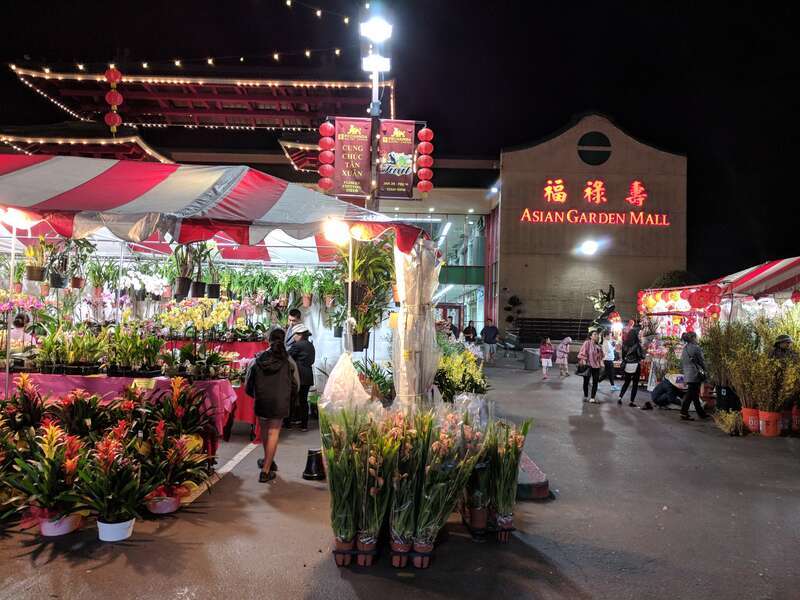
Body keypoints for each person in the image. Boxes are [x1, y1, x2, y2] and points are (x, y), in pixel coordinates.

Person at [245, 328, 300, 482]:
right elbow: (297, 384)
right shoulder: (288, 361)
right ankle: (266, 469)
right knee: (273, 432)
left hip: (262, 400)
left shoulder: (257, 360)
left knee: (264, 430)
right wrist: (290, 399)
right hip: (280, 401)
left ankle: (267, 460)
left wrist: (256, 395)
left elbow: (248, 383)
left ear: (268, 340)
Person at [288, 324, 315, 432]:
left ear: (300, 335)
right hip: (308, 375)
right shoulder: (310, 344)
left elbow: (288, 356)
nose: (293, 337)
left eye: (294, 335)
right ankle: (304, 424)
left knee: (293, 399)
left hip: (298, 376)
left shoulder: (297, 345)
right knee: (303, 400)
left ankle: (289, 422)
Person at [680, 331, 709, 421]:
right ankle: (684, 412)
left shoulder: (685, 349)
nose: (697, 339)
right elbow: (702, 361)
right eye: (696, 337)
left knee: (695, 395)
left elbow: (682, 362)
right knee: (691, 394)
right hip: (695, 374)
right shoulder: (696, 348)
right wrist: (706, 370)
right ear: (693, 338)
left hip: (688, 374)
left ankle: (701, 413)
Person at [618, 326, 645, 407]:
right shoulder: (637, 344)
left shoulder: (624, 344)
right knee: (635, 384)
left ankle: (620, 397)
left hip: (627, 365)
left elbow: (623, 356)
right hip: (635, 365)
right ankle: (631, 401)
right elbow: (641, 356)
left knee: (626, 382)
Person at [578, 330, 603, 403]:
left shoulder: (598, 345)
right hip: (588, 365)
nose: (596, 336)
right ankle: (586, 396)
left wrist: (600, 356)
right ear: (590, 336)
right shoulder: (587, 343)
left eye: (597, 335)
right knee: (586, 382)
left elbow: (601, 356)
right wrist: (584, 360)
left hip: (596, 366)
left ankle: (592, 397)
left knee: (595, 382)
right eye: (594, 334)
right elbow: (582, 352)